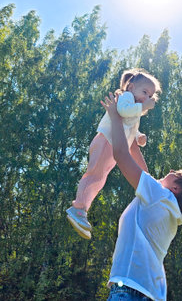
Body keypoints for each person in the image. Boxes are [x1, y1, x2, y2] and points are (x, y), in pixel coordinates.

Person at [101, 92, 182, 301]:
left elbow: (120, 155)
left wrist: (115, 118)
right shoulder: (165, 206)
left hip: (129, 290)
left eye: (177, 173)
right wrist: (133, 137)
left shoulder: (158, 196)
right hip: (149, 294)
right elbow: (141, 169)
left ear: (176, 188)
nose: (172, 170)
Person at [66, 69, 162, 239]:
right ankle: (78, 207)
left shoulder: (134, 108)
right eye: (144, 92)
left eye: (150, 96)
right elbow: (123, 112)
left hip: (112, 146)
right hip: (106, 141)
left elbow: (130, 125)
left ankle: (83, 209)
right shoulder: (126, 97)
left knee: (100, 179)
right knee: (95, 173)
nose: (146, 98)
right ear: (131, 87)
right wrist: (143, 106)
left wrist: (139, 136)